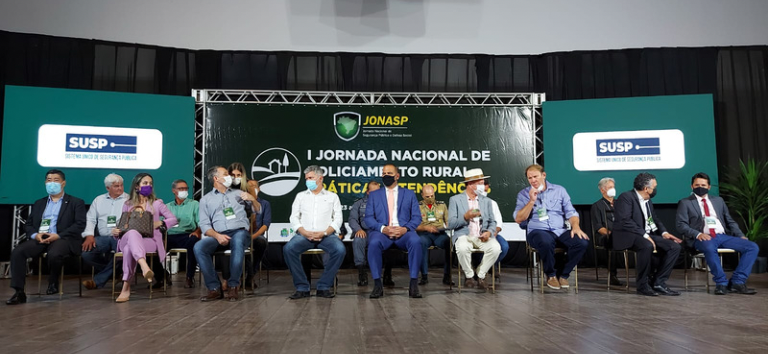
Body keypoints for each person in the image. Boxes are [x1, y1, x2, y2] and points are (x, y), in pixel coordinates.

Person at [7, 170, 86, 305]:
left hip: (63, 238)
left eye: (55, 180)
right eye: (49, 180)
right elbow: (29, 224)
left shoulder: (75, 202)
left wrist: (58, 235)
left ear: (63, 183)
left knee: (55, 253)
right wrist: (35, 235)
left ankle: (53, 281)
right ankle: (19, 292)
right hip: (41, 238)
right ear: (45, 183)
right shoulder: (39, 203)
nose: (52, 183)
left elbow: (79, 224)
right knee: (18, 252)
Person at [675, 172, 758, 295]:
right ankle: (721, 283)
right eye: (697, 184)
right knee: (709, 247)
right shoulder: (685, 202)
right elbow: (680, 225)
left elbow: (729, 220)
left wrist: (740, 235)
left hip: (722, 236)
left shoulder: (718, 201)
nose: (700, 187)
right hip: (701, 237)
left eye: (703, 185)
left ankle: (738, 282)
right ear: (691, 186)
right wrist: (698, 234)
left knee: (752, 247)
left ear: (709, 187)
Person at [514, 164, 589, 290]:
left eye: (535, 176)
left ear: (543, 175)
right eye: (530, 178)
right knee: (545, 241)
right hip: (537, 231)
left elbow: (571, 212)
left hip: (559, 230)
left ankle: (564, 275)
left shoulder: (559, 190)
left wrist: (575, 226)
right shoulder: (524, 194)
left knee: (582, 242)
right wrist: (531, 201)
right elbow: (518, 218)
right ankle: (551, 275)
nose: (533, 180)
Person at [613, 172, 683, 296]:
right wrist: (645, 235)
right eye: (654, 187)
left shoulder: (648, 200)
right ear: (646, 188)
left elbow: (654, 219)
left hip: (646, 234)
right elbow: (625, 221)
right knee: (646, 245)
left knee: (674, 247)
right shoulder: (626, 197)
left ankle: (658, 282)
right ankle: (642, 285)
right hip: (628, 234)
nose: (655, 189)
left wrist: (664, 232)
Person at [195, 166, 258, 302]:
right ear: (216, 178)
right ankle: (214, 288)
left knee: (238, 239)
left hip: (239, 232)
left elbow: (257, 211)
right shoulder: (205, 200)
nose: (229, 177)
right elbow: (205, 226)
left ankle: (233, 285)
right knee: (199, 247)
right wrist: (217, 236)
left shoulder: (238, 193)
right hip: (219, 235)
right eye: (225, 174)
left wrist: (253, 199)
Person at [113, 173, 177, 303]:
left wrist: (162, 223)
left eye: (150, 184)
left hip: (149, 240)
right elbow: (123, 224)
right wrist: (115, 231)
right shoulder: (127, 204)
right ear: (137, 186)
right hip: (128, 236)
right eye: (145, 183)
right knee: (132, 233)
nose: (149, 186)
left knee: (127, 249)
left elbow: (173, 219)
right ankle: (144, 265)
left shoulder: (157, 203)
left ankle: (126, 286)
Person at [283, 165, 345, 299]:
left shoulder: (332, 196)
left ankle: (324, 286)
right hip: (304, 235)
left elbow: (338, 218)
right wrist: (304, 232)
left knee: (339, 250)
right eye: (306, 178)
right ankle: (302, 287)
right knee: (288, 249)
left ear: (320, 178)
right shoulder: (300, 196)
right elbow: (293, 217)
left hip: (326, 235)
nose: (308, 181)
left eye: (311, 178)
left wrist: (324, 233)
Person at [365, 163, 423, 299]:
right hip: (382, 232)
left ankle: (414, 284)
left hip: (403, 232)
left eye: (389, 174)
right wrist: (383, 228)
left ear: (397, 176)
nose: (386, 176)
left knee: (416, 241)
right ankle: (377, 285)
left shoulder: (408, 194)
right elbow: (368, 218)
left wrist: (405, 229)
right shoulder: (374, 195)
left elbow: (416, 217)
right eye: (383, 173)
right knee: (373, 243)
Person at [447, 169, 500, 291]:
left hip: (482, 236)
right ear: (470, 184)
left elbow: (493, 222)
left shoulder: (486, 201)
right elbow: (451, 223)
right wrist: (465, 217)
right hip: (464, 235)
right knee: (461, 247)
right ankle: (469, 275)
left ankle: (481, 274)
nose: (483, 186)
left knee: (496, 248)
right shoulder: (455, 200)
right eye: (480, 183)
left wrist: (489, 232)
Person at [81, 173, 129, 290]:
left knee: (121, 255)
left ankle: (97, 281)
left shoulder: (129, 200)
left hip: (121, 237)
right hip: (103, 237)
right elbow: (90, 219)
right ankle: (114, 272)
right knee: (86, 253)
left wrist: (123, 230)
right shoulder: (99, 200)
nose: (120, 188)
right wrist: (89, 235)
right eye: (116, 186)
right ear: (108, 188)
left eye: (121, 185)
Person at [165, 179, 201, 288]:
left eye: (186, 189)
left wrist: (197, 232)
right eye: (181, 189)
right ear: (174, 191)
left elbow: (201, 223)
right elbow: (161, 224)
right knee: (152, 245)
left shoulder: (194, 204)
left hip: (187, 235)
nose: (184, 191)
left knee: (193, 242)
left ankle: (190, 277)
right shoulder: (167, 207)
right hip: (169, 236)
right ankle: (162, 276)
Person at [590, 177, 624, 286]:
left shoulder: (620, 204)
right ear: (602, 190)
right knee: (612, 240)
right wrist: (611, 233)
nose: (613, 189)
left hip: (621, 233)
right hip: (604, 235)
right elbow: (598, 227)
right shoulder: (597, 206)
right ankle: (612, 274)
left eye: (613, 187)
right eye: (610, 187)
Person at [416, 184, 452, 285]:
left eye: (432, 196)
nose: (430, 198)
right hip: (424, 233)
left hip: (439, 233)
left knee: (448, 242)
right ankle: (424, 276)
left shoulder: (442, 205)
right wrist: (426, 228)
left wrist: (446, 227)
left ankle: (447, 275)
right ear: (422, 195)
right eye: (427, 196)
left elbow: (448, 221)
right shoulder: (417, 207)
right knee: (421, 242)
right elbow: (413, 225)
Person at [349, 180, 381, 286]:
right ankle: (362, 272)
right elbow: (352, 219)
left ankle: (387, 274)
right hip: (364, 231)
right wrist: (358, 229)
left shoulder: (384, 204)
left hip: (378, 232)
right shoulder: (359, 204)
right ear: (368, 192)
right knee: (358, 240)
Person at [242, 179, 270, 290]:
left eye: (254, 186)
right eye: (249, 186)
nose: (252, 188)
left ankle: (250, 276)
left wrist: (253, 236)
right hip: (243, 233)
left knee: (261, 242)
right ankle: (237, 277)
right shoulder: (241, 202)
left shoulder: (265, 204)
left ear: (258, 189)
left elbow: (266, 224)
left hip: (256, 234)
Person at [479, 180, 509, 278]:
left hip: (491, 233)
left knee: (504, 246)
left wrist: (494, 232)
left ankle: (490, 265)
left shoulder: (492, 203)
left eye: (484, 185)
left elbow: (499, 222)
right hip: (476, 234)